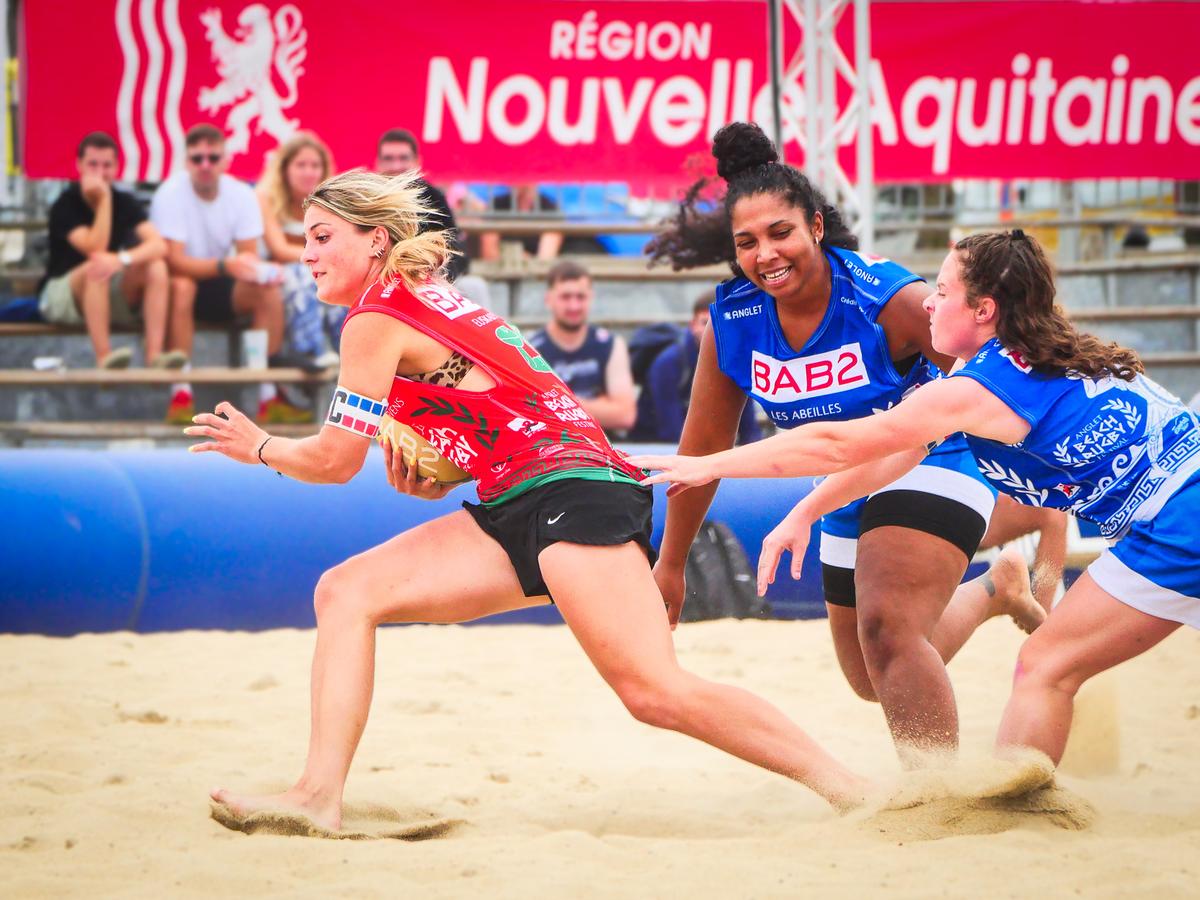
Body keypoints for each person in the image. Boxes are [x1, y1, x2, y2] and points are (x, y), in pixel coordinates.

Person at [185, 169, 867, 833]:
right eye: (304, 238)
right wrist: (442, 473)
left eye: (322, 236)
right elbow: (502, 402)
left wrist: (260, 447)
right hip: (528, 491)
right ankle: (317, 794)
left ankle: (851, 789)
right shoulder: (428, 294)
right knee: (346, 592)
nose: (306, 253)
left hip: (570, 489)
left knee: (655, 691)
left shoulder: (374, 318)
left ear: (375, 240)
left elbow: (336, 462)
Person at [630, 229, 1200, 767]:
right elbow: (892, 455)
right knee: (980, 668)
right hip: (1170, 518)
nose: (928, 301)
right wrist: (805, 511)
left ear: (983, 310)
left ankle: (1020, 806)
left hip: (1178, 518)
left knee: (1044, 667)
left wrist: (710, 464)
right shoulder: (1015, 363)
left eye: (943, 291)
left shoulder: (980, 387)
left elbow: (837, 443)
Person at [642, 123, 1042, 763]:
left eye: (781, 233)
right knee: (869, 676)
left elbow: (1001, 376)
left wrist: (1049, 474)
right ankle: (998, 587)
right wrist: (671, 562)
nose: (766, 254)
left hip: (936, 455)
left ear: (816, 227)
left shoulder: (889, 300)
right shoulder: (734, 322)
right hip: (842, 482)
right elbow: (702, 455)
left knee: (889, 631)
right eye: (747, 243)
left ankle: (939, 796)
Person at [151, 123, 299, 425]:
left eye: (213, 158)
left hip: (223, 284)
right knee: (181, 286)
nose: (205, 165)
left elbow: (248, 258)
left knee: (267, 291)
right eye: (197, 158)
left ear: (225, 160)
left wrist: (257, 270)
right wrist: (226, 266)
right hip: (181, 286)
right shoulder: (170, 193)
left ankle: (266, 392)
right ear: (186, 162)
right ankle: (180, 394)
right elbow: (173, 262)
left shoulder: (241, 194)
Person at [39, 131, 179, 369]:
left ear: (116, 168)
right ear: (79, 165)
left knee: (156, 267)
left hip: (104, 291)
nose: (100, 172)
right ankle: (104, 358)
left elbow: (159, 245)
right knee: (97, 266)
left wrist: (122, 259)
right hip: (60, 295)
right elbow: (95, 247)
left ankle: (155, 356)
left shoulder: (125, 201)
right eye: (93, 164)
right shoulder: (65, 204)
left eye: (106, 165)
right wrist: (103, 201)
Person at [631, 292, 762, 444]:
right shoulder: (668, 364)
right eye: (705, 323)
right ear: (693, 325)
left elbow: (749, 429)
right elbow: (671, 432)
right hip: (654, 445)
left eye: (723, 323)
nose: (713, 332)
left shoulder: (737, 359)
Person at [257, 131, 342, 367]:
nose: (308, 172)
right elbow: (279, 250)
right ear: (285, 169)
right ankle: (310, 351)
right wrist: (321, 258)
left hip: (312, 272)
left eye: (315, 165)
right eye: (301, 165)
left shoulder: (332, 203)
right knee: (303, 274)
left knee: (340, 279)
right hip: (271, 279)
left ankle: (348, 352)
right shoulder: (266, 198)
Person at [527, 261, 637, 433]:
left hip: (602, 444)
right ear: (548, 299)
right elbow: (527, 412)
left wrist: (557, 403)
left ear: (591, 298)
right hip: (550, 443)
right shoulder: (530, 348)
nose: (574, 306)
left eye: (581, 297)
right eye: (565, 297)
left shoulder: (610, 344)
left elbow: (625, 415)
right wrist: (601, 405)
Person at [374, 128, 468, 282]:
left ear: (417, 162)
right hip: (375, 278)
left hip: (426, 279)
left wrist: (431, 277)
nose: (396, 166)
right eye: (388, 158)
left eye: (404, 158)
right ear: (378, 163)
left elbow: (453, 249)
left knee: (474, 286)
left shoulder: (433, 198)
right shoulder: (367, 198)